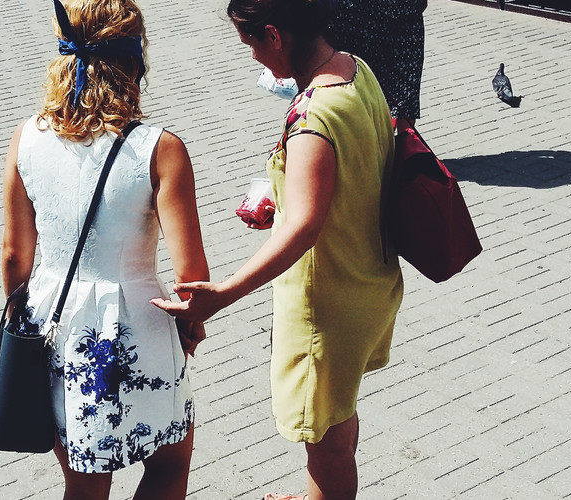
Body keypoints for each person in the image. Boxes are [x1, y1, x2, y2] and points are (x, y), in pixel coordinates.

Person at [152, 1, 404, 498]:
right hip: (367, 280)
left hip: (325, 305)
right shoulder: (355, 69)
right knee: (337, 417)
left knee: (326, 443)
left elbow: (304, 228)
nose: (252, 57)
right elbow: (356, 170)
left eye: (250, 43)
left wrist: (222, 293)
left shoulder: (313, 116)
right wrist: (286, 196)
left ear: (274, 35)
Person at [1, 1, 209, 498]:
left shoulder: (26, 137)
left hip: (56, 324)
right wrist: (192, 325)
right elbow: (192, 277)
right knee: (168, 463)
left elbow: (14, 255)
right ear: (135, 59)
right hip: (140, 325)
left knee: (84, 484)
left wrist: (18, 318)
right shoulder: (160, 149)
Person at [328, 0, 427, 133]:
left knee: (362, 83)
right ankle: (404, 139)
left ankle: (394, 135)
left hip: (360, 16)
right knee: (403, 89)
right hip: (403, 13)